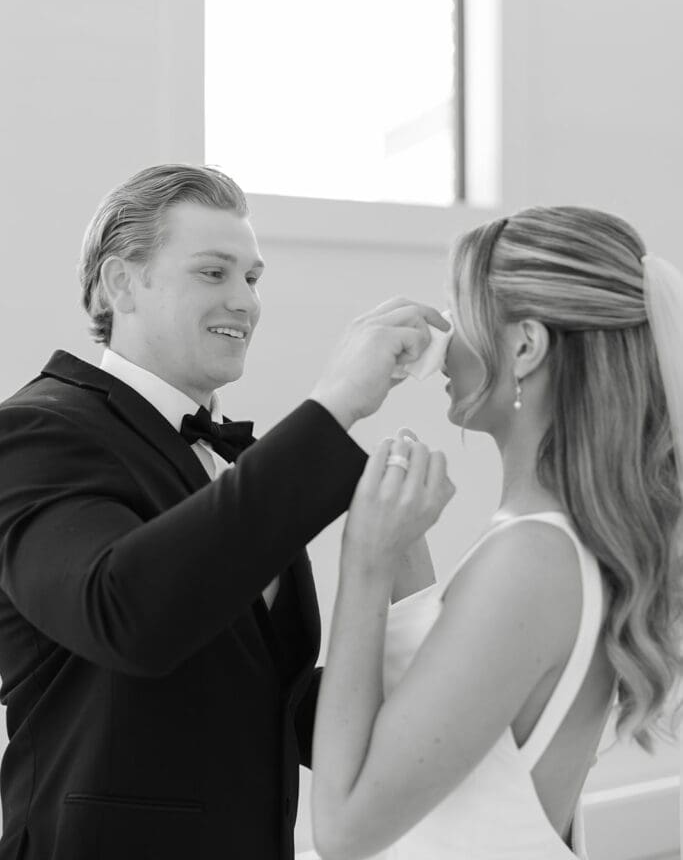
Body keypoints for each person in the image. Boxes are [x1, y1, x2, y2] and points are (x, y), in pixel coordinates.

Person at [0, 163, 452, 860]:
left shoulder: (236, 462)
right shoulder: (33, 432)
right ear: (122, 283)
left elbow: (271, 696)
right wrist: (336, 404)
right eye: (213, 273)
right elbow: (127, 615)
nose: (244, 301)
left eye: (252, 277)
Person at [311, 206, 683, 860]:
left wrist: (364, 562)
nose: (442, 341)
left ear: (522, 346)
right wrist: (404, 563)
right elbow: (480, 757)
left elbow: (344, 832)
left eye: (458, 313)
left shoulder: (532, 560)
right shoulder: (542, 542)